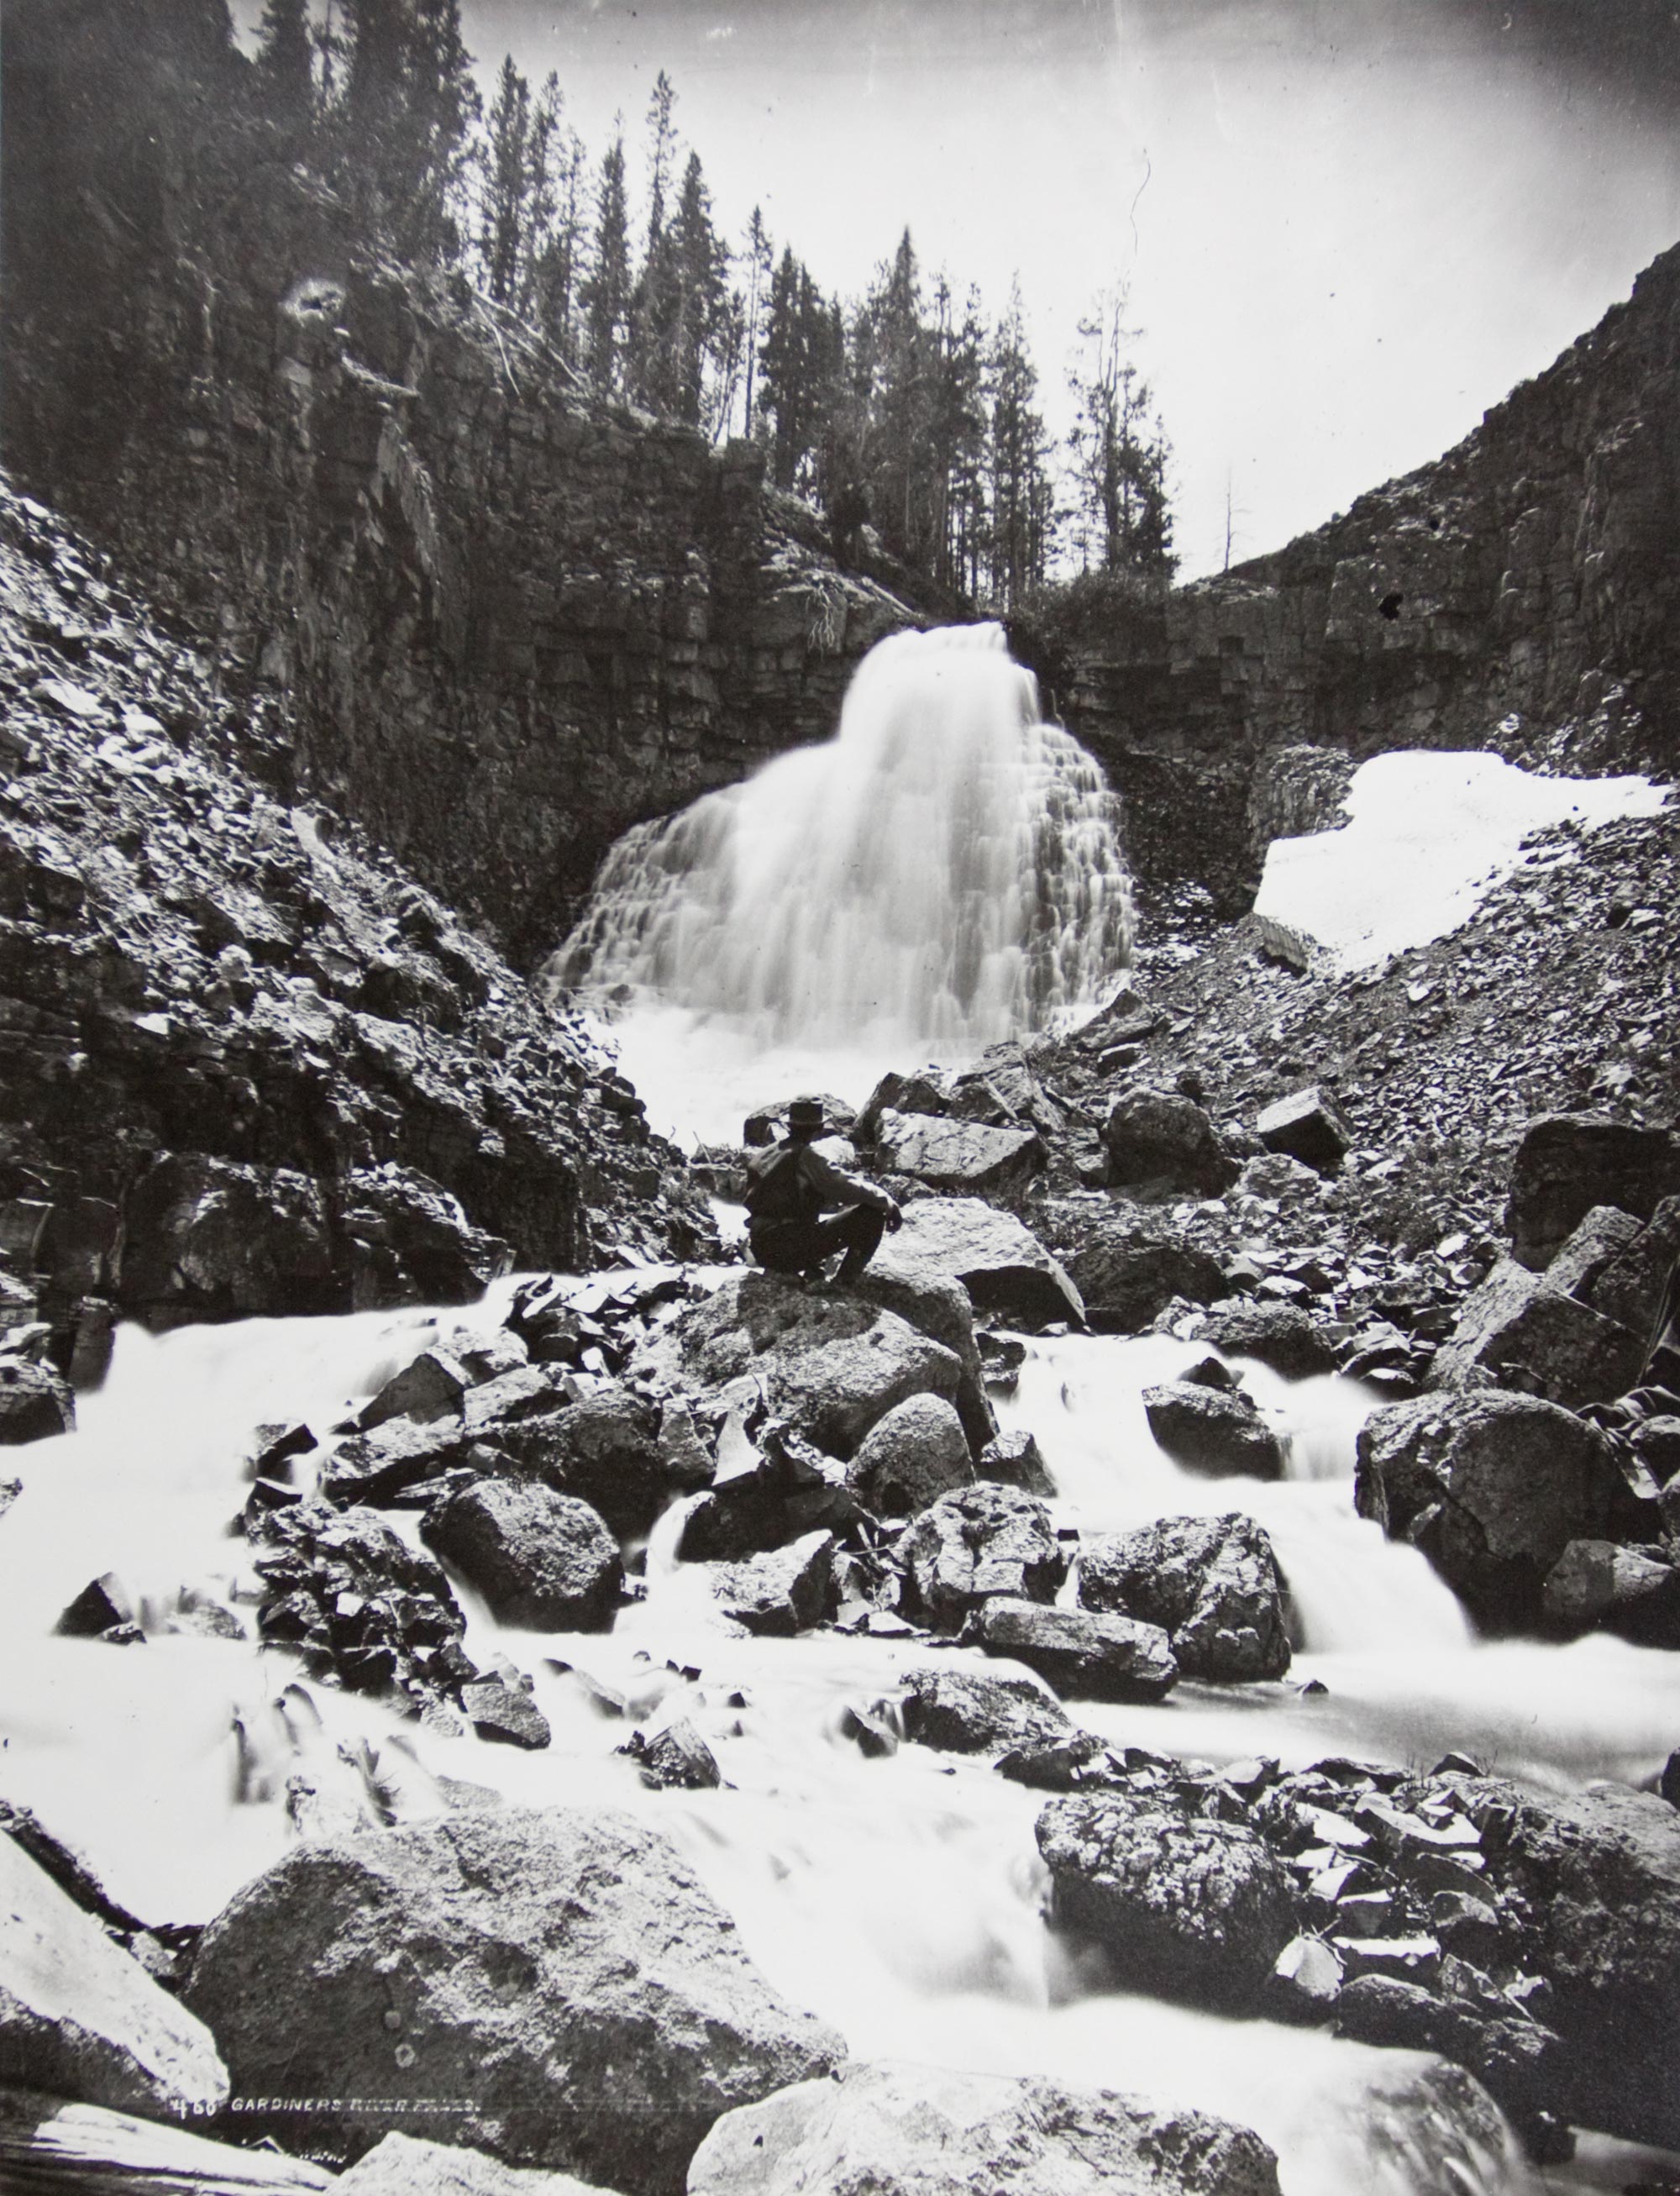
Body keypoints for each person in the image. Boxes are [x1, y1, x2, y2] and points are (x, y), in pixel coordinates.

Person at [745, 1096, 902, 1287]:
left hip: (761, 1248)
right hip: (787, 1248)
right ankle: (842, 1285)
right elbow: (845, 1185)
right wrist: (886, 1201)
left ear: (789, 1125)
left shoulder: (764, 1154)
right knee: (871, 1216)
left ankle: (808, 1272)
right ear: (819, 1127)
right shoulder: (807, 1156)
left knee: (803, 1222)